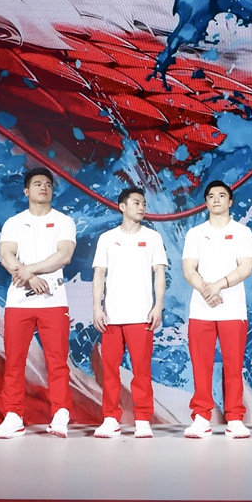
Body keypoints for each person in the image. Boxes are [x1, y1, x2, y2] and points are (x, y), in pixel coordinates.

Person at [0, 168, 77, 439]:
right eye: (37, 184)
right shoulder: (14, 222)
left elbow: (64, 255)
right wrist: (28, 278)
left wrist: (31, 271)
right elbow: (6, 255)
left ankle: (61, 413)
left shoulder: (64, 221)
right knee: (14, 361)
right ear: (26, 191)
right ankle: (13, 415)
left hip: (54, 301)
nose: (44, 187)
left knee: (57, 362)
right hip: (18, 302)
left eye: (48, 184)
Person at [181, 180, 252, 439]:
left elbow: (245, 267)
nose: (216, 200)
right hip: (201, 310)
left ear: (230, 201)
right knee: (200, 366)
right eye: (211, 196)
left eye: (221, 196)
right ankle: (201, 417)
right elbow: (189, 269)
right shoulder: (195, 233)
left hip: (232, 310)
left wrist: (218, 285)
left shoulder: (242, 232)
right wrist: (206, 289)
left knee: (233, 366)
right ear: (206, 202)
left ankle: (235, 418)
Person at [92, 187, 168, 439]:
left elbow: (159, 272)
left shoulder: (153, 238)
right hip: (112, 317)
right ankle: (110, 418)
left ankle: (143, 419)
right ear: (122, 206)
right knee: (110, 370)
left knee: (142, 370)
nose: (142, 207)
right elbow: (99, 274)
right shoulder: (107, 238)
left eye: (144, 203)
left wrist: (158, 306)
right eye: (136, 202)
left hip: (142, 316)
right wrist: (96, 307)